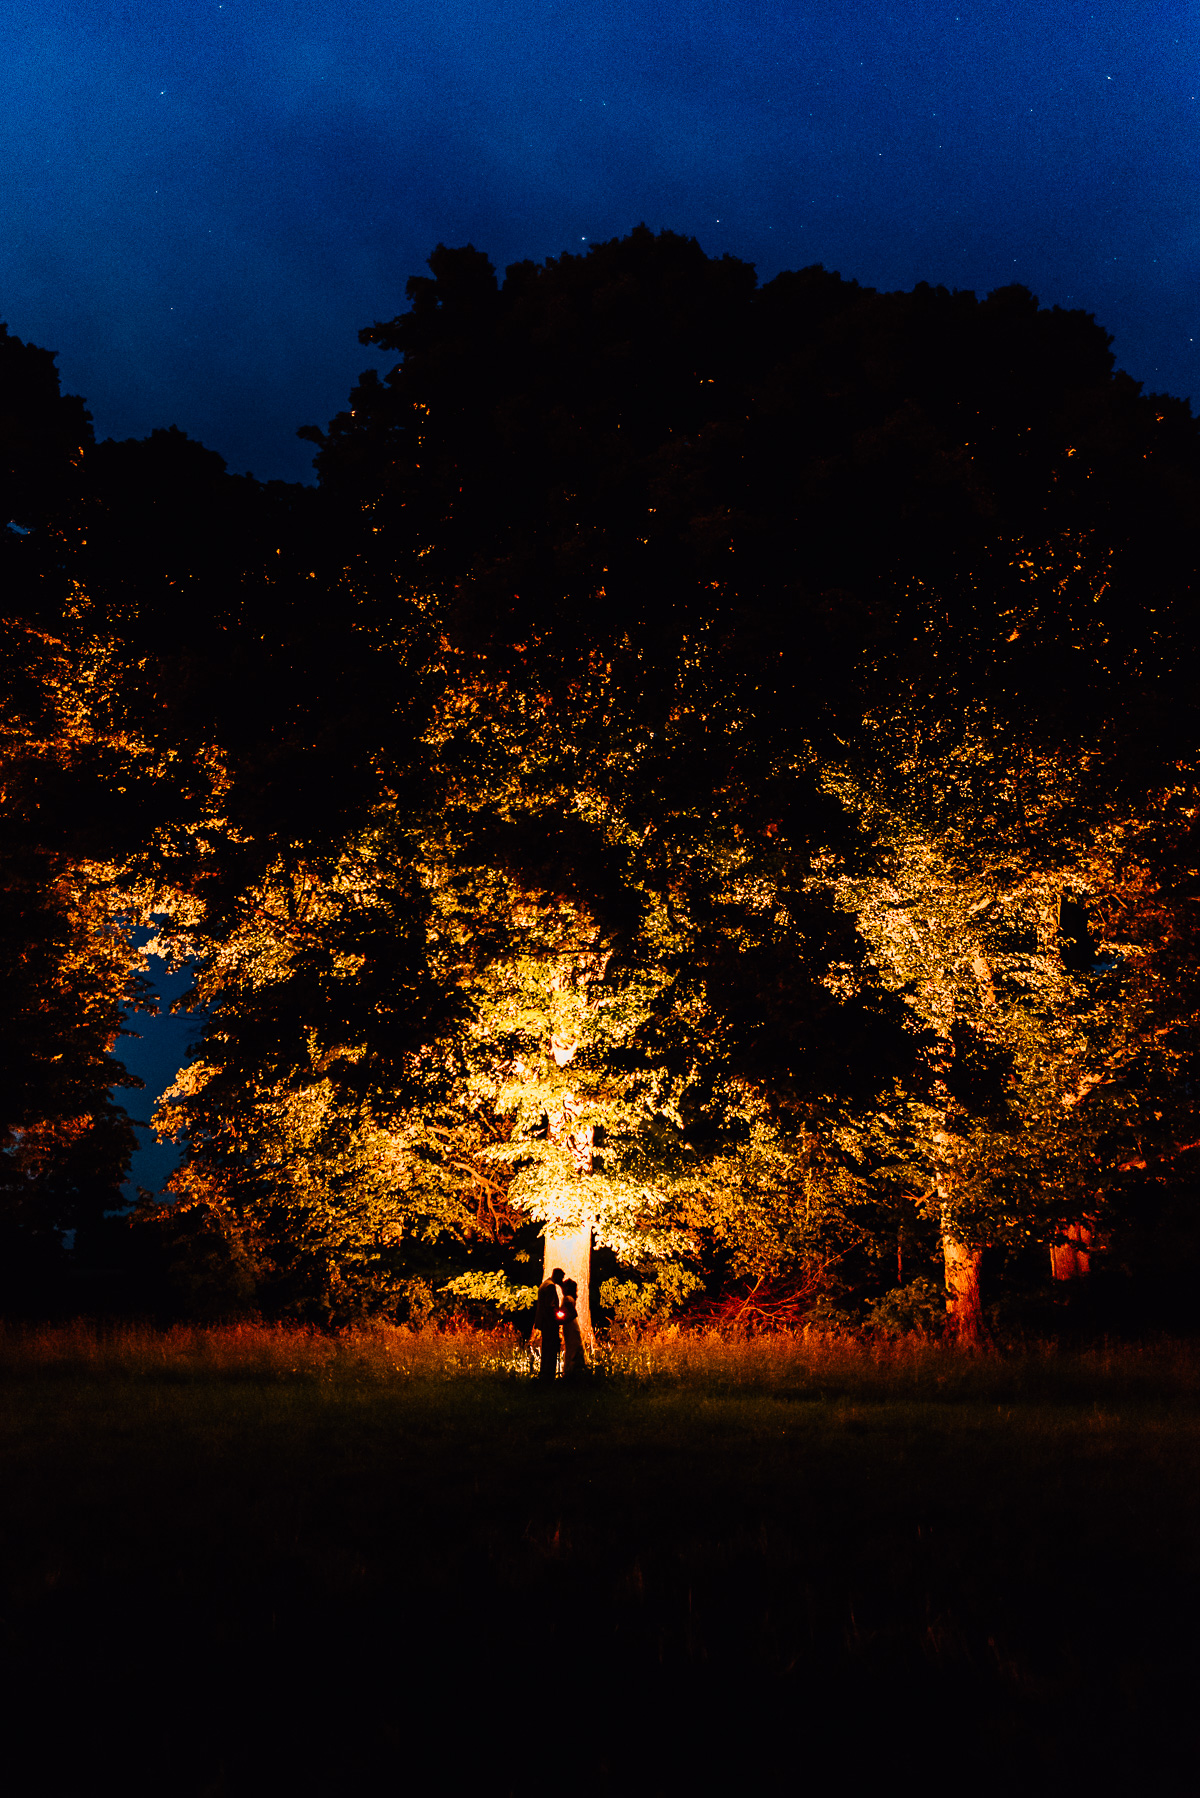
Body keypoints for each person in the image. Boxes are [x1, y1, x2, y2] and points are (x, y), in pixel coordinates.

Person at [533, 1266, 565, 1381]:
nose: (561, 1280)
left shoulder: (544, 1284)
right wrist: (558, 1318)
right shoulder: (550, 1286)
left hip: (543, 1321)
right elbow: (550, 1306)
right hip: (549, 1322)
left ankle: (544, 1374)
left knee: (546, 1347)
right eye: (561, 1278)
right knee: (551, 1348)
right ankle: (548, 1375)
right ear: (557, 1275)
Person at [561, 1277, 587, 1380]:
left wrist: (563, 1321)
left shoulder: (567, 1299)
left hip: (570, 1325)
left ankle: (571, 1372)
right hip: (570, 1325)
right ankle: (574, 1371)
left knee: (572, 1347)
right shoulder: (570, 1297)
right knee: (572, 1346)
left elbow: (573, 1313)